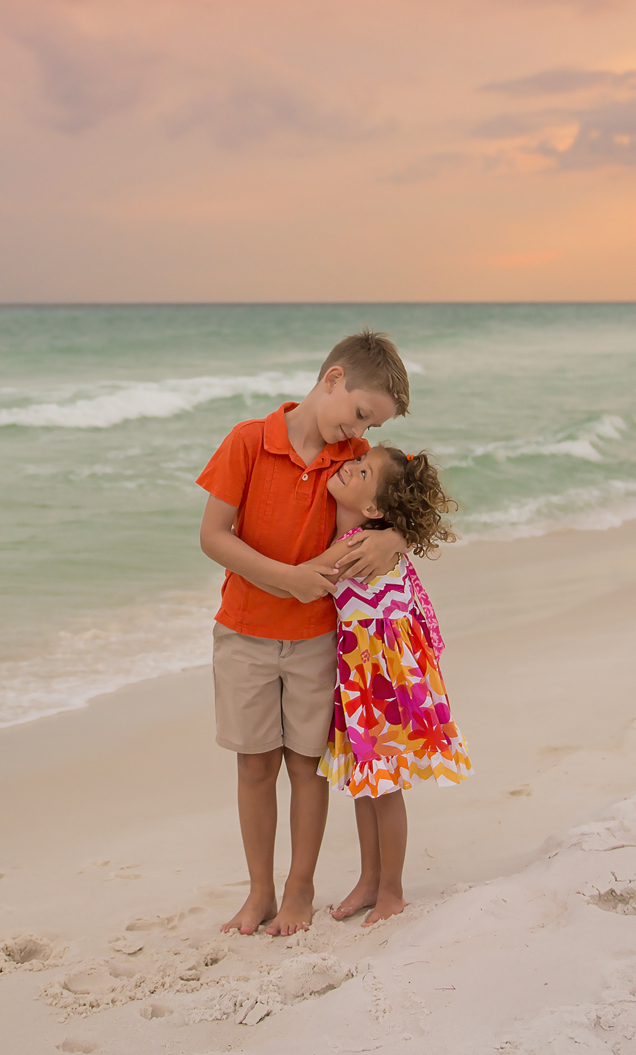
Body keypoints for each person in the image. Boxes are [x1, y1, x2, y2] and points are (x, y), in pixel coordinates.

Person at [196, 330, 412, 936]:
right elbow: (214, 537)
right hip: (244, 633)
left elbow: (409, 503)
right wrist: (288, 578)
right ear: (334, 379)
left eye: (372, 423)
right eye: (361, 413)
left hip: (320, 639)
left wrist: (395, 539)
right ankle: (260, 891)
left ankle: (300, 889)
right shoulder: (247, 441)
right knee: (254, 767)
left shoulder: (356, 461)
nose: (360, 429)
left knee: (306, 766)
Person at [319, 444, 470, 926]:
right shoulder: (373, 534)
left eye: (361, 470)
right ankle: (369, 880)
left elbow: (310, 574)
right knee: (367, 782)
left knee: (384, 787)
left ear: (372, 509)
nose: (347, 467)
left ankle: (392, 890)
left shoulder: (359, 544)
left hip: (383, 677)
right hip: (364, 670)